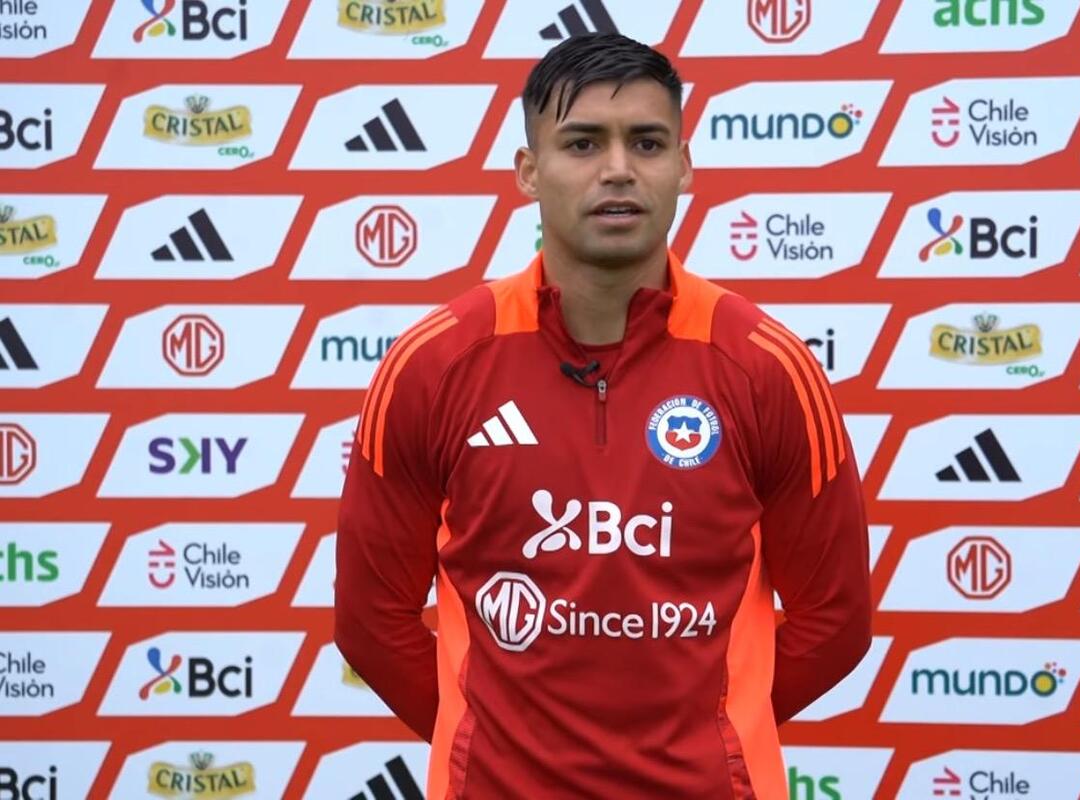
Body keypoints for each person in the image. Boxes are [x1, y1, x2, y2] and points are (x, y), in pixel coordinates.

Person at [336, 32, 871, 800]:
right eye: (582, 142)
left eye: (647, 142)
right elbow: (372, 622)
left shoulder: (764, 365)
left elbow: (836, 619)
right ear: (529, 172)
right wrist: (505, 750)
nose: (618, 168)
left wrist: (707, 741)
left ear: (684, 167)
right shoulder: (436, 363)